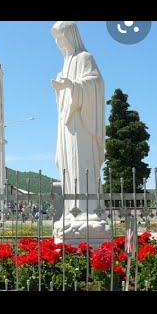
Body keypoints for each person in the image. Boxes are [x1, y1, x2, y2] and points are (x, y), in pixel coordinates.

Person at [50, 21, 105, 215]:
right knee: (67, 167)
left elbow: (96, 84)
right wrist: (61, 89)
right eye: (56, 39)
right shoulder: (65, 64)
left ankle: (88, 212)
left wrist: (72, 85)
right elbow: (63, 99)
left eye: (61, 37)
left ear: (71, 35)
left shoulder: (84, 58)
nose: (59, 42)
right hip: (66, 124)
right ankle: (72, 211)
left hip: (82, 123)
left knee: (82, 165)